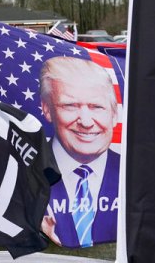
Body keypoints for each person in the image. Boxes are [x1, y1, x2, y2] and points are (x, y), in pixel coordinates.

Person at [39, 57, 120, 248]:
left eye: (96, 107)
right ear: (46, 109)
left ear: (114, 114)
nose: (85, 121)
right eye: (70, 106)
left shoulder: (134, 176)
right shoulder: (21, 174)